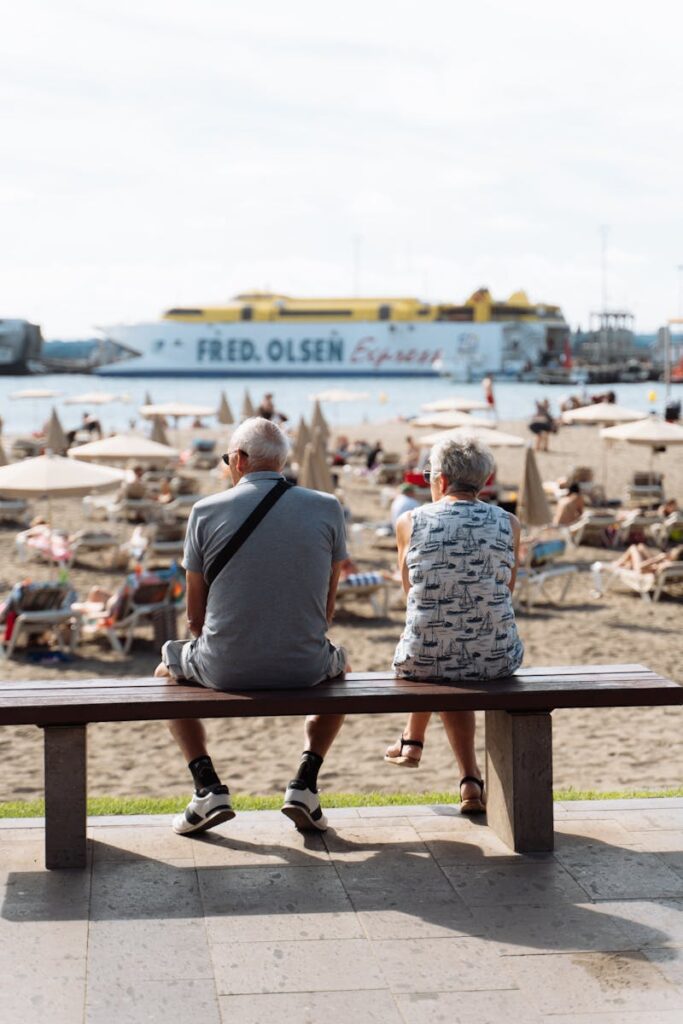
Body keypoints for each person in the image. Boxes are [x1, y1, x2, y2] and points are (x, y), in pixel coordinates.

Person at [154, 417, 349, 836]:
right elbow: (328, 607)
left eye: (228, 458)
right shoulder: (327, 507)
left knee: (165, 672)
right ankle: (305, 782)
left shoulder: (205, 511)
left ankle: (206, 785)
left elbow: (194, 617)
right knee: (341, 670)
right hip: (305, 666)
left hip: (225, 666)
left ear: (239, 460)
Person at [385, 436, 524, 813]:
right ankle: (469, 781)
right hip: (496, 657)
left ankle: (414, 739)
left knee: (440, 644)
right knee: (456, 643)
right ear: (483, 480)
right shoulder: (508, 523)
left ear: (441, 481)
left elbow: (411, 591)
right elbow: (504, 591)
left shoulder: (410, 521)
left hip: (424, 658)